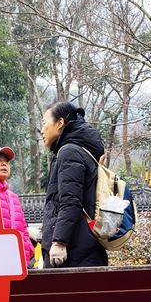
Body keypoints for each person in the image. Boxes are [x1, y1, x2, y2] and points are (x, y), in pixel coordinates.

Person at [40, 101, 108, 268]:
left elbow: (71, 201)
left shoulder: (69, 151)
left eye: (44, 123)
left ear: (60, 123)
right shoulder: (83, 152)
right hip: (86, 248)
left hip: (73, 253)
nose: (42, 130)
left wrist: (59, 242)